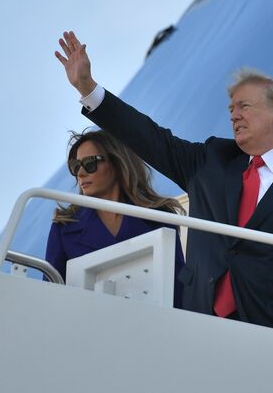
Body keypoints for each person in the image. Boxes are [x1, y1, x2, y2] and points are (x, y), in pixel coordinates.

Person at [54, 31, 273, 342]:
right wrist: (89, 89)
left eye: (244, 106)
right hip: (203, 333)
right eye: (231, 109)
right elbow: (150, 138)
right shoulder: (211, 161)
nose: (234, 115)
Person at [45, 129, 186, 308]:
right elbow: (51, 297)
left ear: (118, 162)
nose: (80, 173)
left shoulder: (159, 217)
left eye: (90, 163)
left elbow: (178, 290)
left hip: (154, 326)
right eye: (75, 166)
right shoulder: (64, 227)